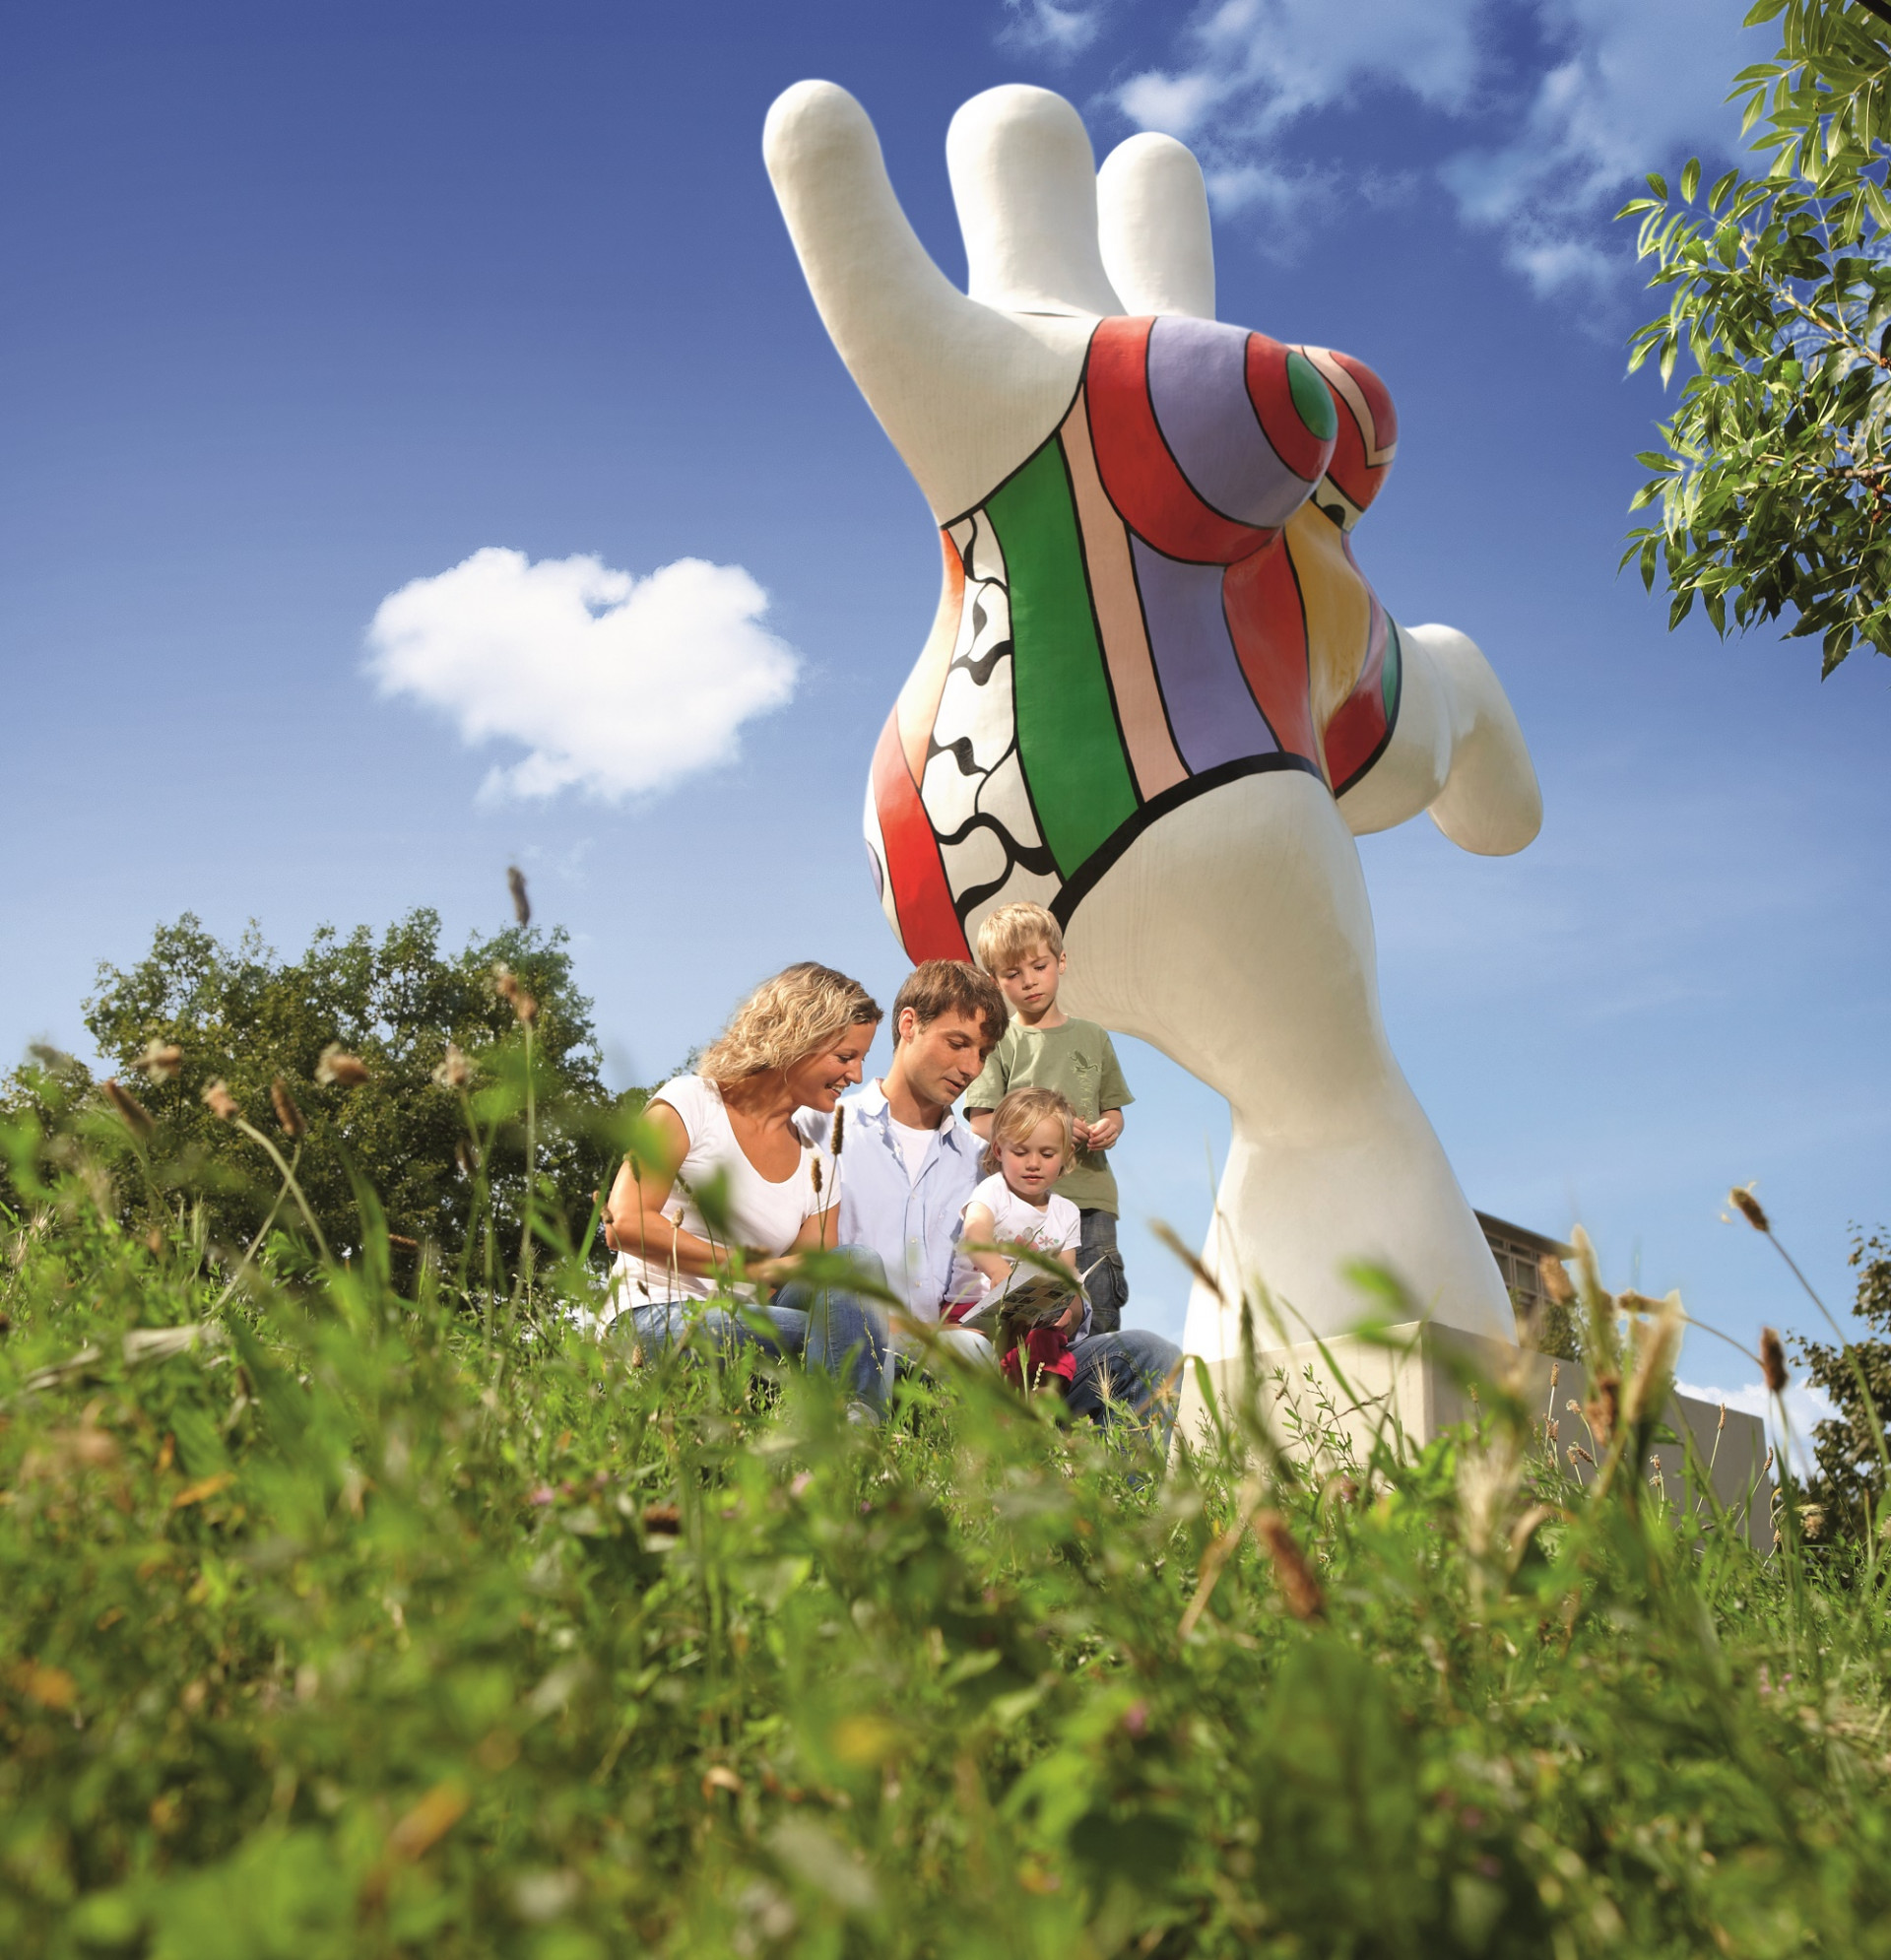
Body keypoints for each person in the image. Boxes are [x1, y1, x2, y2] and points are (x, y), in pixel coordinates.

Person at [814, 957, 1180, 1446]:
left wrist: (1066, 1307)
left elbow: (1055, 1272)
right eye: (958, 1043)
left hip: (995, 1359)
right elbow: (810, 1274)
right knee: (965, 1352)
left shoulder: (989, 1160)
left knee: (1151, 1357)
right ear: (909, 1024)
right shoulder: (825, 1132)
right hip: (878, 1357)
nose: (971, 1067)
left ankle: (1111, 1497)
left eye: (983, 1053)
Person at [599, 963, 893, 1411]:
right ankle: (859, 1418)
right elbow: (624, 1223)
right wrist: (751, 1268)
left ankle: (853, 1429)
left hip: (756, 1319)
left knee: (854, 1264)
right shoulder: (691, 1102)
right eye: (845, 1056)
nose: (855, 1076)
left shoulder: (820, 1164)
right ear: (798, 1038)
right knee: (852, 1351)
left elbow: (814, 1283)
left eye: (861, 1060)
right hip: (653, 1314)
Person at [965, 902, 1134, 1334]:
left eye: (1039, 966)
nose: (1029, 981)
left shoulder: (1093, 1037)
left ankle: (1101, 1379)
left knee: (1098, 1305)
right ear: (994, 981)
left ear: (1061, 960)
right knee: (1034, 1321)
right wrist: (1045, 1131)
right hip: (1022, 1205)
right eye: (1012, 974)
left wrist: (1111, 1126)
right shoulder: (1000, 1041)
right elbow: (981, 1122)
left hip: (1090, 1197)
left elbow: (1112, 1107)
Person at [946, 1087, 1084, 1397]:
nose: (1033, 1163)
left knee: (1047, 1346)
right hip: (974, 1306)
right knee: (974, 1351)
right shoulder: (993, 1191)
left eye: (1047, 1154)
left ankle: (1039, 1408)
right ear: (998, 1150)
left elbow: (1066, 1272)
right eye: (1020, 1152)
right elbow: (976, 1234)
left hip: (1030, 1314)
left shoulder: (1066, 1212)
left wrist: (1063, 1304)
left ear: (1065, 1155)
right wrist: (1000, 1273)